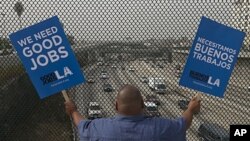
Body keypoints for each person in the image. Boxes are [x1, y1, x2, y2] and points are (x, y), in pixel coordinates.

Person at [65, 85, 201, 141]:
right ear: (142, 104)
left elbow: (81, 125)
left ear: (116, 105)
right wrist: (190, 109)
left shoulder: (99, 128)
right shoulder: (161, 128)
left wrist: (73, 111)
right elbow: (183, 123)